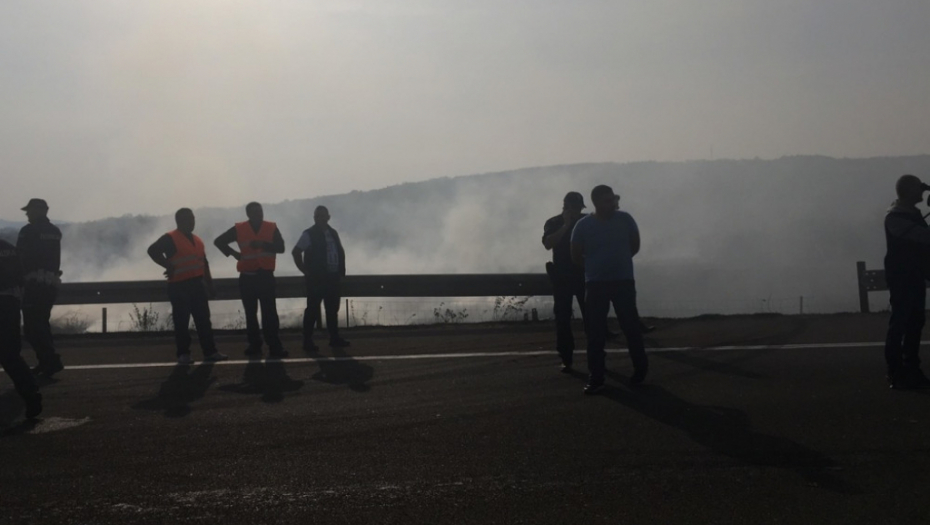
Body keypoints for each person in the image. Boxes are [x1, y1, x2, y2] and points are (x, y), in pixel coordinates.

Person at [571, 185, 647, 395]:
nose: (611, 204)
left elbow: (635, 245)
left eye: (612, 199)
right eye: (606, 201)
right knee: (595, 333)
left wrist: (617, 262)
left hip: (622, 281)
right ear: (596, 202)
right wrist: (595, 268)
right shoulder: (583, 225)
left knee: (631, 327)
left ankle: (640, 370)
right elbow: (575, 255)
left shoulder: (625, 219)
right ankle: (596, 377)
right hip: (596, 284)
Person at [147, 208, 228, 365]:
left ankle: (210, 352)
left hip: (197, 284)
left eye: (193, 218)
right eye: (188, 219)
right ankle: (184, 354)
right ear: (179, 221)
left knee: (204, 320)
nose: (192, 222)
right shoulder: (170, 238)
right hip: (179, 285)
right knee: (182, 322)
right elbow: (152, 250)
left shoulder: (197, 240)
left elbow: (204, 264)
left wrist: (210, 285)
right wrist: (167, 265)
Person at [214, 202, 287, 358]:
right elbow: (219, 241)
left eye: (260, 211)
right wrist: (233, 253)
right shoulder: (240, 229)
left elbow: (281, 248)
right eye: (255, 212)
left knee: (269, 313)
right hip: (248, 277)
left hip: (265, 276)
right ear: (248, 214)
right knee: (251, 314)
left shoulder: (271, 227)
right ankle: (255, 345)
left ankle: (274, 345)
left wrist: (264, 244)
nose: (258, 214)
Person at [883, 174, 930, 389]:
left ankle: (910, 369)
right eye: (919, 188)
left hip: (914, 275)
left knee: (914, 322)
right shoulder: (895, 217)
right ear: (910, 191)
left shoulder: (908, 214)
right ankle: (896, 372)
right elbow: (923, 237)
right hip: (902, 278)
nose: (922, 191)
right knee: (901, 323)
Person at [17, 198, 64, 377]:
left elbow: (19, 256)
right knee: (41, 323)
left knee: (32, 327)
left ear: (40, 210)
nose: (27, 214)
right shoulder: (54, 231)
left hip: (32, 283)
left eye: (29, 210)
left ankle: (50, 361)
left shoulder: (28, 231)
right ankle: (47, 362)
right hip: (50, 283)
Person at [542, 192, 588, 372]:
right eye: (572, 207)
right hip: (562, 277)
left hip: (584, 275)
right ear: (565, 207)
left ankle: (597, 356)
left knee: (591, 318)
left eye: (578, 208)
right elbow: (548, 244)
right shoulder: (553, 222)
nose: (576, 211)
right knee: (562, 319)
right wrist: (566, 224)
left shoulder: (587, 221)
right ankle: (566, 357)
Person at [292, 205, 348, 352]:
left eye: (323, 216)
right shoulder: (309, 234)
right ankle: (307, 340)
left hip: (333, 278)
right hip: (316, 279)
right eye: (318, 216)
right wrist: (305, 270)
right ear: (314, 218)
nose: (321, 218)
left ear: (328, 217)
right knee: (312, 310)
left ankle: (334, 338)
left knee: (332, 309)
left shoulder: (333, 233)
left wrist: (341, 272)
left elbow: (340, 252)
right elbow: (296, 252)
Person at [0, 239, 43, 418]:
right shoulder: (9, 248)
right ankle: (31, 394)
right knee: (10, 355)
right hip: (10, 303)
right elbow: (21, 277)